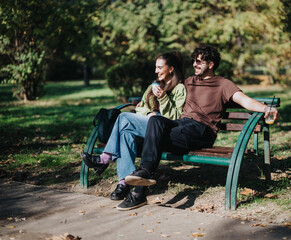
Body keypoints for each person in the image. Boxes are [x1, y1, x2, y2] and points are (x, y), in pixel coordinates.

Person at [121, 46, 279, 210]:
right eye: (193, 61)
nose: (194, 65)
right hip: (181, 126)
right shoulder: (189, 81)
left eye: (198, 62)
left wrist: (267, 109)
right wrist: (146, 101)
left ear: (210, 64)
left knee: (154, 136)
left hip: (202, 130)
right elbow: (170, 90)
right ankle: (144, 176)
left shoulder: (223, 84)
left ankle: (139, 191)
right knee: (156, 122)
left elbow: (245, 101)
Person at [81, 51, 186, 207]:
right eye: (155, 67)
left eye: (159, 67)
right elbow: (140, 108)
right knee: (125, 134)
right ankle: (124, 182)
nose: (156, 71)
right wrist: (150, 113)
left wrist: (163, 99)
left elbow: (175, 118)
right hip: (147, 127)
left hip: (163, 132)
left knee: (123, 118)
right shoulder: (153, 86)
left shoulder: (180, 89)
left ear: (171, 69)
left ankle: (105, 159)